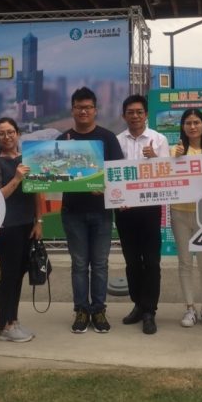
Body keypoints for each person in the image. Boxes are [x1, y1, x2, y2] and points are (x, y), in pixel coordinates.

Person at [58, 87, 124, 334]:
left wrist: (105, 188)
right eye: (79, 107)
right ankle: (81, 310)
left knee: (100, 264)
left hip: (101, 211)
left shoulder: (107, 138)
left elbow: (118, 175)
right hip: (72, 211)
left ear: (95, 110)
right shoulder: (63, 140)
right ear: (72, 110)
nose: (83, 111)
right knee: (78, 264)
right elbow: (54, 176)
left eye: (88, 107)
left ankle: (98, 309)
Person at [116, 94, 170, 335]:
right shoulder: (116, 141)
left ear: (146, 114)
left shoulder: (159, 139)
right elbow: (111, 174)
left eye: (139, 112)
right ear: (123, 115)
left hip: (150, 208)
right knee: (131, 261)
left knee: (151, 261)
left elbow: (168, 174)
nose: (135, 116)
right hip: (124, 209)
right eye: (130, 112)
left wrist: (155, 159)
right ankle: (138, 304)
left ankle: (150, 311)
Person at [0, 117, 43, 343]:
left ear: (18, 133)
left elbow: (38, 190)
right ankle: (4, 325)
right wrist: (17, 178)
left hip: (27, 224)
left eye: (10, 132)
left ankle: (14, 320)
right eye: (2, 133)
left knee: (19, 274)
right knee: (8, 276)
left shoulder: (28, 159)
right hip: (7, 226)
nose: (7, 136)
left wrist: (39, 221)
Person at [170, 108, 202, 329]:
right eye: (188, 123)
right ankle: (189, 307)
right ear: (183, 127)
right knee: (185, 262)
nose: (193, 126)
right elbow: (165, 174)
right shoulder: (175, 150)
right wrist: (175, 158)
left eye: (196, 122)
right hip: (179, 211)